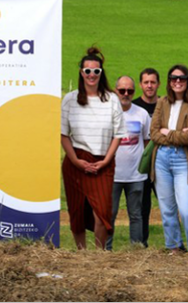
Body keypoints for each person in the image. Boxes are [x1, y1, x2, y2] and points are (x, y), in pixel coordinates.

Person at [61, 47, 126, 250]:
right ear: (81, 72)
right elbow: (63, 135)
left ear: (101, 73)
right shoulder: (70, 100)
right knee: (77, 210)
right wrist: (75, 161)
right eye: (87, 71)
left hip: (103, 161)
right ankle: (82, 255)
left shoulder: (112, 99)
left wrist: (106, 160)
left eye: (96, 71)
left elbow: (118, 134)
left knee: (102, 213)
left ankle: (99, 256)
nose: (91, 75)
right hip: (76, 159)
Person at [150, 65, 188, 253]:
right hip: (162, 158)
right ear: (169, 81)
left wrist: (167, 132)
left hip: (185, 159)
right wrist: (176, 134)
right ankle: (173, 246)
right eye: (173, 78)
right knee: (167, 209)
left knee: (187, 209)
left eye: (181, 78)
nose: (177, 81)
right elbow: (153, 133)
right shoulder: (162, 102)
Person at [106, 76, 151, 251]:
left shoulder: (141, 114)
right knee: (109, 214)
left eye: (130, 91)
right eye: (122, 90)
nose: (126, 94)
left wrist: (144, 166)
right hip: (112, 175)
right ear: (115, 91)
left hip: (136, 175)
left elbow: (147, 141)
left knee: (136, 215)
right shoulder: (108, 113)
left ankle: (136, 251)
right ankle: (106, 252)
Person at [133, 68, 160, 247]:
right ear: (141, 84)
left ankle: (175, 243)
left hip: (162, 164)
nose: (149, 86)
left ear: (158, 84)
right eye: (146, 82)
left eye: (153, 82)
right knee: (142, 206)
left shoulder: (165, 104)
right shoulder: (134, 107)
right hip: (141, 165)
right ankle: (141, 243)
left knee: (168, 204)